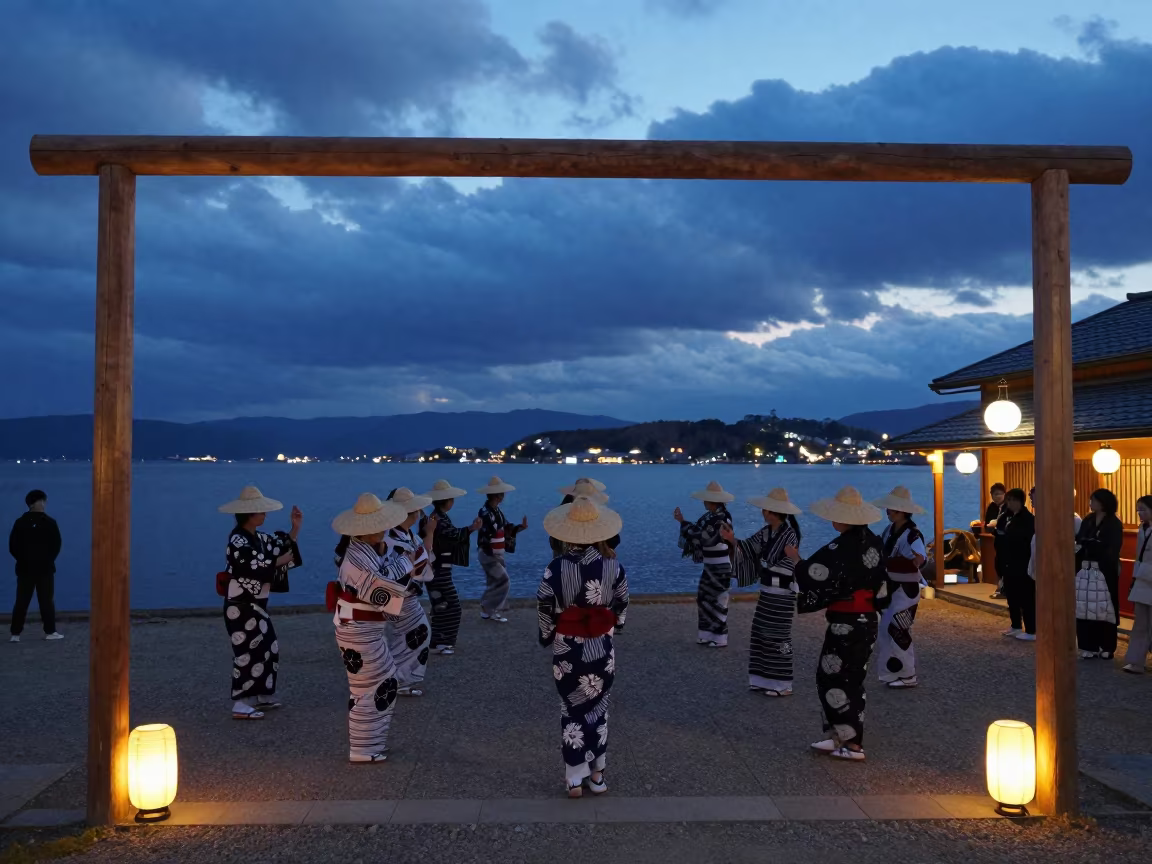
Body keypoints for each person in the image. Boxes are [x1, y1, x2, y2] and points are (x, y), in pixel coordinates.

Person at [783, 486, 888, 762]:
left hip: (846, 621)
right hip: (868, 620)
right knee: (853, 679)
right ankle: (840, 737)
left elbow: (813, 574)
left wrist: (795, 559)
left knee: (832, 677)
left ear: (844, 517)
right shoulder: (875, 542)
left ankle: (851, 743)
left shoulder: (840, 546)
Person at [537, 496, 629, 798]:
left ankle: (575, 778)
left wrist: (548, 632)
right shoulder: (614, 566)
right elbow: (622, 603)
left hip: (569, 647)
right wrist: (615, 626)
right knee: (600, 708)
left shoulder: (556, 567)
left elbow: (545, 603)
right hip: (601, 645)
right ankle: (598, 776)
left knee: (572, 707)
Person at [331, 493, 413, 763]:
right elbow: (381, 587)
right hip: (358, 628)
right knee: (374, 685)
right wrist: (403, 564)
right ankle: (363, 748)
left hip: (362, 627)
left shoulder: (366, 550)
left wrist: (398, 565)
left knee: (374, 683)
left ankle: (368, 744)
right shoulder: (356, 559)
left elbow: (389, 574)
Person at [218, 486, 302, 720]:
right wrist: (278, 561)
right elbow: (253, 565)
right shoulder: (237, 540)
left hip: (257, 604)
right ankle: (240, 702)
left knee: (268, 647)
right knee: (246, 651)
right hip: (241, 604)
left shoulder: (260, 538)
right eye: (260, 512)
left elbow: (280, 547)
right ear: (249, 514)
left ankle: (262, 693)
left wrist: (294, 529)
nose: (264, 516)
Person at [723, 488, 803, 696]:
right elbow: (749, 548)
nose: (763, 513)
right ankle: (762, 679)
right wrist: (732, 540)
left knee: (777, 635)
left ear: (772, 512)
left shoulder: (790, 534)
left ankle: (782, 683)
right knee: (760, 632)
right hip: (768, 590)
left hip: (783, 591)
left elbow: (787, 562)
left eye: (765, 510)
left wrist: (767, 565)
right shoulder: (766, 532)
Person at [382, 488, 437, 695]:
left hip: (402, 595)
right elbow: (420, 563)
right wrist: (429, 533)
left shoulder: (403, 534)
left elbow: (423, 559)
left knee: (407, 636)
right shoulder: (393, 537)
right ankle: (394, 679)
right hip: (399, 595)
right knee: (415, 634)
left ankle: (396, 679)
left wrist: (429, 533)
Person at [872, 486, 928, 689]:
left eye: (892, 510)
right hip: (891, 585)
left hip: (906, 588)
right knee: (887, 629)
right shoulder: (889, 530)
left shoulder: (913, 534)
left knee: (899, 629)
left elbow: (920, 559)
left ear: (903, 511)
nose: (888, 513)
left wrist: (899, 562)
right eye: (888, 509)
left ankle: (908, 674)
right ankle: (892, 672)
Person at [422, 479, 483, 655]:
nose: (453, 502)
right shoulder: (437, 519)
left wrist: (470, 529)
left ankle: (438, 641)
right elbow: (454, 535)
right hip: (438, 568)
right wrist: (471, 528)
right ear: (447, 501)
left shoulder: (437, 517)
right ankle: (442, 641)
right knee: (451, 605)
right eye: (451, 499)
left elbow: (453, 534)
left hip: (439, 568)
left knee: (441, 604)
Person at [675, 481, 735, 647]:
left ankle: (720, 636)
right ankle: (706, 634)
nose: (703, 502)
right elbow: (700, 532)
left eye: (705, 500)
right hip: (710, 564)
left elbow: (707, 538)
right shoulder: (709, 517)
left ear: (711, 501)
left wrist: (686, 526)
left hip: (720, 564)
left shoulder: (723, 517)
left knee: (718, 599)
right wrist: (683, 521)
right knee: (704, 598)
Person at [1075, 488, 1124, 660]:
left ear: (1103, 502)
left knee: (1105, 606)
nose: (1090, 503)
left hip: (1104, 570)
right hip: (1085, 568)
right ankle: (1088, 645)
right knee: (1084, 606)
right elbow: (1080, 540)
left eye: (1094, 500)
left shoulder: (1113, 523)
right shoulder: (1088, 519)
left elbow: (1112, 548)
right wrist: (1089, 544)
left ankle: (1107, 646)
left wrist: (1094, 546)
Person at [8, 489, 63, 643]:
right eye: (43, 501)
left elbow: (13, 546)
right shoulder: (50, 522)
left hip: (24, 569)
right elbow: (56, 545)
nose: (44, 504)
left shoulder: (20, 522)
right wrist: (47, 559)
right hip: (45, 569)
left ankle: (15, 634)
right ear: (37, 502)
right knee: (46, 601)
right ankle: (50, 631)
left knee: (21, 601)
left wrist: (23, 559)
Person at [475, 476, 527, 622]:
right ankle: (486, 605)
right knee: (504, 580)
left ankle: (490, 612)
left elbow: (505, 528)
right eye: (501, 493)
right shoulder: (485, 512)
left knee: (493, 581)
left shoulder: (496, 511)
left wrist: (520, 528)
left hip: (497, 551)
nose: (503, 496)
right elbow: (490, 533)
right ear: (496, 495)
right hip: (488, 552)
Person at [995, 488, 1035, 641]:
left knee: (1026, 596)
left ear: (1019, 501)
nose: (1009, 503)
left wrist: (1008, 536)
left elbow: (1025, 539)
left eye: (1012, 500)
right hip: (1008, 561)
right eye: (1008, 500)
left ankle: (1031, 628)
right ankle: (1016, 624)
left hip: (1022, 562)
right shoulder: (1007, 516)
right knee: (1011, 595)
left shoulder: (1028, 518)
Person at [1123, 495, 1152, 674]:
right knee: (1140, 622)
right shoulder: (1143, 528)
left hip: (1146, 575)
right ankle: (1136, 661)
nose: (1140, 513)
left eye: (1143, 509)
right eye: (1138, 509)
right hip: (1142, 579)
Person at [551, 480, 617, 557]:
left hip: (566, 556)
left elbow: (555, 540)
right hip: (596, 557)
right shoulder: (595, 508)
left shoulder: (566, 507)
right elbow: (614, 540)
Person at [985, 483, 1008, 598]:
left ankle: (1004, 590)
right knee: (998, 563)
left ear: (1005, 494)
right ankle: (1000, 588)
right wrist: (991, 527)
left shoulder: (1009, 506)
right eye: (994, 494)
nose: (997, 496)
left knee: (1007, 564)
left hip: (1009, 540)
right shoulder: (992, 507)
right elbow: (987, 524)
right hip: (998, 539)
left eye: (999, 494)